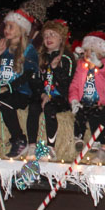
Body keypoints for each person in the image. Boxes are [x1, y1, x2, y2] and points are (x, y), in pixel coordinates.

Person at [0, 9, 40, 158]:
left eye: (11, 26)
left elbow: (29, 75)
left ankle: (19, 139)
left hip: (20, 92)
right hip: (1, 90)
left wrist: (8, 87)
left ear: (22, 30)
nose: (6, 30)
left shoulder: (29, 50)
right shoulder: (3, 47)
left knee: (4, 101)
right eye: (6, 26)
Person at [68, 32, 105, 163]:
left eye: (93, 52)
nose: (88, 54)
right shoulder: (80, 66)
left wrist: (99, 64)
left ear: (101, 53)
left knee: (98, 117)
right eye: (86, 51)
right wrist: (74, 100)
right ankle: (78, 136)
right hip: (84, 100)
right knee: (80, 115)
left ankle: (99, 143)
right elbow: (74, 85)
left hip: (100, 102)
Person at [29, 19, 75, 157]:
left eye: (52, 34)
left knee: (50, 108)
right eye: (46, 35)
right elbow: (36, 80)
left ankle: (51, 146)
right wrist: (42, 94)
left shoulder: (66, 57)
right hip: (44, 95)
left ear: (61, 38)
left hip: (60, 97)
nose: (48, 38)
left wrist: (56, 70)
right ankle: (31, 144)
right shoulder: (40, 56)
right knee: (33, 107)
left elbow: (68, 82)